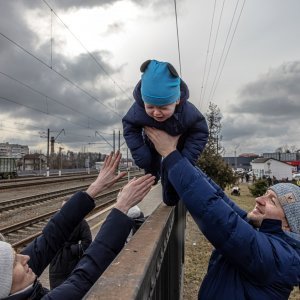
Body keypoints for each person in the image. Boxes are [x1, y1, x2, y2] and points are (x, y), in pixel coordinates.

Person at [145, 127, 300, 300]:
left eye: (272, 200)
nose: (259, 200)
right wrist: (180, 155)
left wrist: (171, 154)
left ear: (288, 224)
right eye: (265, 194)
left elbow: (219, 218)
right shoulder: (263, 237)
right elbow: (218, 198)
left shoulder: (281, 258)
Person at [0, 151, 155, 299]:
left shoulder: (12, 284)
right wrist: (121, 208)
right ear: (5, 286)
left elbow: (49, 238)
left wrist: (94, 188)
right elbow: (84, 278)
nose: (25, 257)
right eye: (14, 263)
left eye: (16, 255)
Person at [122, 59, 208, 205]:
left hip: (177, 147)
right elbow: (129, 126)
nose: (156, 113)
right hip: (151, 142)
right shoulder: (138, 109)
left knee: (172, 173)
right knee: (148, 162)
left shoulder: (187, 112)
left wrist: (186, 159)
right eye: (150, 107)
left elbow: (201, 131)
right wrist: (140, 154)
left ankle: (171, 198)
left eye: (163, 108)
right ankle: (153, 175)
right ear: (143, 101)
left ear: (176, 101)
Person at [49, 198, 92, 289]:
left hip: (72, 260)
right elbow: (48, 237)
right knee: (55, 288)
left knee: (71, 286)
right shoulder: (55, 220)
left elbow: (87, 242)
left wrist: (74, 250)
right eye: (63, 208)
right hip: (57, 260)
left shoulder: (81, 222)